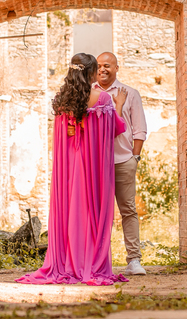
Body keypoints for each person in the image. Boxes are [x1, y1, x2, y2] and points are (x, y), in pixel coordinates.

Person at [15, 53, 130, 286]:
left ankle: (66, 261)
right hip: (92, 166)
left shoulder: (61, 100)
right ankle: (90, 262)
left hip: (68, 166)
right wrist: (118, 105)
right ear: (90, 73)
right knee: (91, 209)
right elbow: (116, 129)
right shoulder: (104, 99)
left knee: (68, 209)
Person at [96, 52, 148, 276]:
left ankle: (134, 260)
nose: (102, 70)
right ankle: (100, 262)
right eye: (98, 66)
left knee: (128, 211)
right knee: (99, 213)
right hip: (96, 163)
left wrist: (134, 158)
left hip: (124, 161)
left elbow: (139, 129)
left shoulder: (130, 94)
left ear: (117, 67)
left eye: (107, 65)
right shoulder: (90, 92)